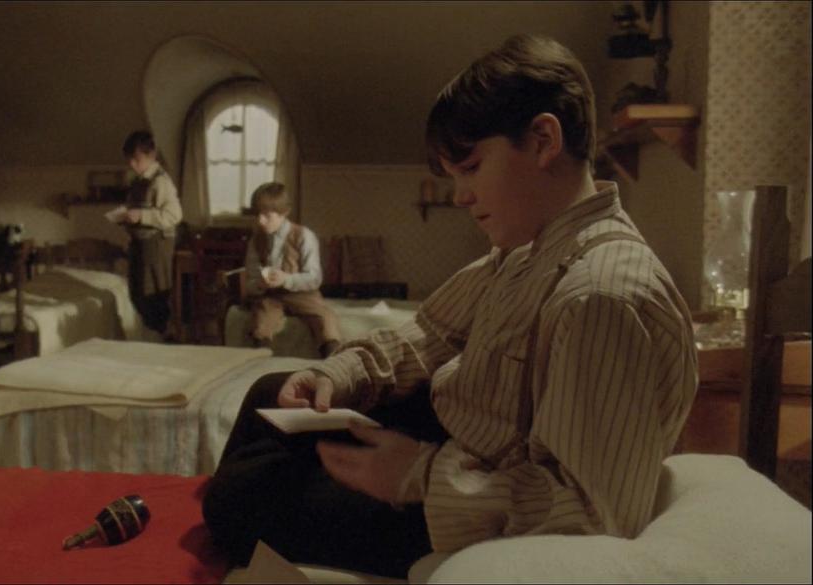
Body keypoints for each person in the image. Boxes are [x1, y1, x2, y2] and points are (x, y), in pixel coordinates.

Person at [202, 34, 697, 578]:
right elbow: (430, 336)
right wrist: (340, 373)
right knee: (271, 392)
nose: (460, 196)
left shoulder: (601, 295)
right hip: (453, 444)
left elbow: (591, 512)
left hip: (463, 498)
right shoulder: (525, 250)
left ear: (542, 140)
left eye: (472, 168)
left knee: (239, 499)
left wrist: (417, 476)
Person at [242, 182, 342, 358]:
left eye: (267, 215)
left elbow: (314, 278)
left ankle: (332, 361)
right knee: (261, 323)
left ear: (284, 213)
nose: (260, 221)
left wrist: (286, 279)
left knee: (325, 319)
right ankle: (261, 364)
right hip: (271, 296)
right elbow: (250, 279)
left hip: (302, 294)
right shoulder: (256, 241)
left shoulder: (304, 236)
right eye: (257, 215)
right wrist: (259, 284)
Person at [118, 130, 182, 336]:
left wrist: (142, 216)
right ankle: (147, 339)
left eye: (136, 160)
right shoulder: (138, 180)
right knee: (137, 295)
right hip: (140, 246)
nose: (132, 164)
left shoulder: (161, 182)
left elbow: (174, 215)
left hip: (156, 246)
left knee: (153, 297)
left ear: (152, 155)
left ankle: (160, 338)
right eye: (129, 160)